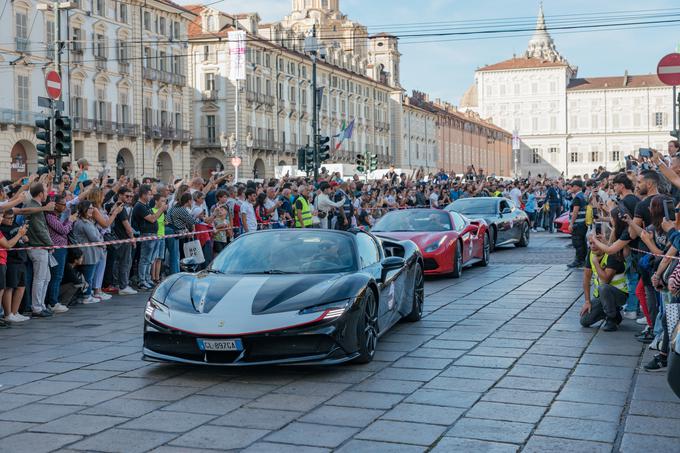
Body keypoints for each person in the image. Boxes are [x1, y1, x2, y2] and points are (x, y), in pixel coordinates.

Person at [580, 236, 628, 331]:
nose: (593, 246)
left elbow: (606, 280)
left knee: (604, 288)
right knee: (584, 321)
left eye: (596, 243)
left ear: (602, 243)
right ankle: (615, 314)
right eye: (591, 243)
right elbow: (586, 278)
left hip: (620, 295)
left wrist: (596, 263)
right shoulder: (591, 253)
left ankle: (611, 319)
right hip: (602, 297)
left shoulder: (612, 254)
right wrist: (587, 301)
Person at [24, 183, 56, 317]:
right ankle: (37, 307)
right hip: (38, 246)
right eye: (45, 192)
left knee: (46, 277)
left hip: (41, 246)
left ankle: (41, 305)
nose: (47, 194)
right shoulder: (35, 206)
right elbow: (39, 228)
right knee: (40, 278)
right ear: (40, 194)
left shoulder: (36, 206)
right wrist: (50, 244)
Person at [45, 193, 76, 313]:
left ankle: (54, 300)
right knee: (56, 276)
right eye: (62, 204)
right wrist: (70, 221)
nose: (65, 207)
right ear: (55, 204)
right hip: (56, 249)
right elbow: (63, 230)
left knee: (58, 276)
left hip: (62, 248)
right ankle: (52, 302)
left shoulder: (57, 216)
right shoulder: (50, 217)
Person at [132, 184, 166, 290]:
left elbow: (155, 218)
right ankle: (142, 281)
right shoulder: (139, 206)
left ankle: (147, 278)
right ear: (143, 194)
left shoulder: (146, 205)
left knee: (151, 259)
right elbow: (152, 219)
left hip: (153, 234)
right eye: (149, 194)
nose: (151, 197)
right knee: (145, 259)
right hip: (146, 235)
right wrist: (161, 209)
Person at [71, 200, 104, 304]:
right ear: (84, 210)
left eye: (92, 208)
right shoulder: (82, 222)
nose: (92, 210)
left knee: (88, 276)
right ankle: (86, 295)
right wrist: (101, 242)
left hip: (91, 252)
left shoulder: (87, 221)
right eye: (89, 208)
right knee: (88, 276)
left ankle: (85, 295)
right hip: (87, 253)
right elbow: (94, 237)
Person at [0, 210, 29, 323]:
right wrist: (19, 235)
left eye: (13, 218)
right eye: (8, 218)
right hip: (10, 260)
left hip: (21, 259)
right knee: (9, 287)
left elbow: (21, 238)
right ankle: (8, 314)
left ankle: (15, 312)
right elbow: (8, 245)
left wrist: (24, 237)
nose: (11, 220)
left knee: (21, 286)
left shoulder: (15, 224)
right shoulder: (2, 229)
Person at [166, 192, 195, 274]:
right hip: (173, 232)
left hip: (169, 230)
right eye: (191, 200)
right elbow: (192, 221)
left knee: (175, 254)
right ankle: (175, 274)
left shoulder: (174, 208)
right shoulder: (182, 210)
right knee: (175, 255)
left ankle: (175, 272)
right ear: (189, 201)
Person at [567, 180, 588, 268]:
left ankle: (578, 260)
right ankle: (582, 260)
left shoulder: (577, 198)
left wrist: (571, 223)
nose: (571, 188)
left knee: (578, 243)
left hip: (577, 224)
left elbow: (575, 211)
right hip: (583, 223)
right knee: (582, 243)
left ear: (578, 187)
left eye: (573, 186)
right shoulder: (583, 196)